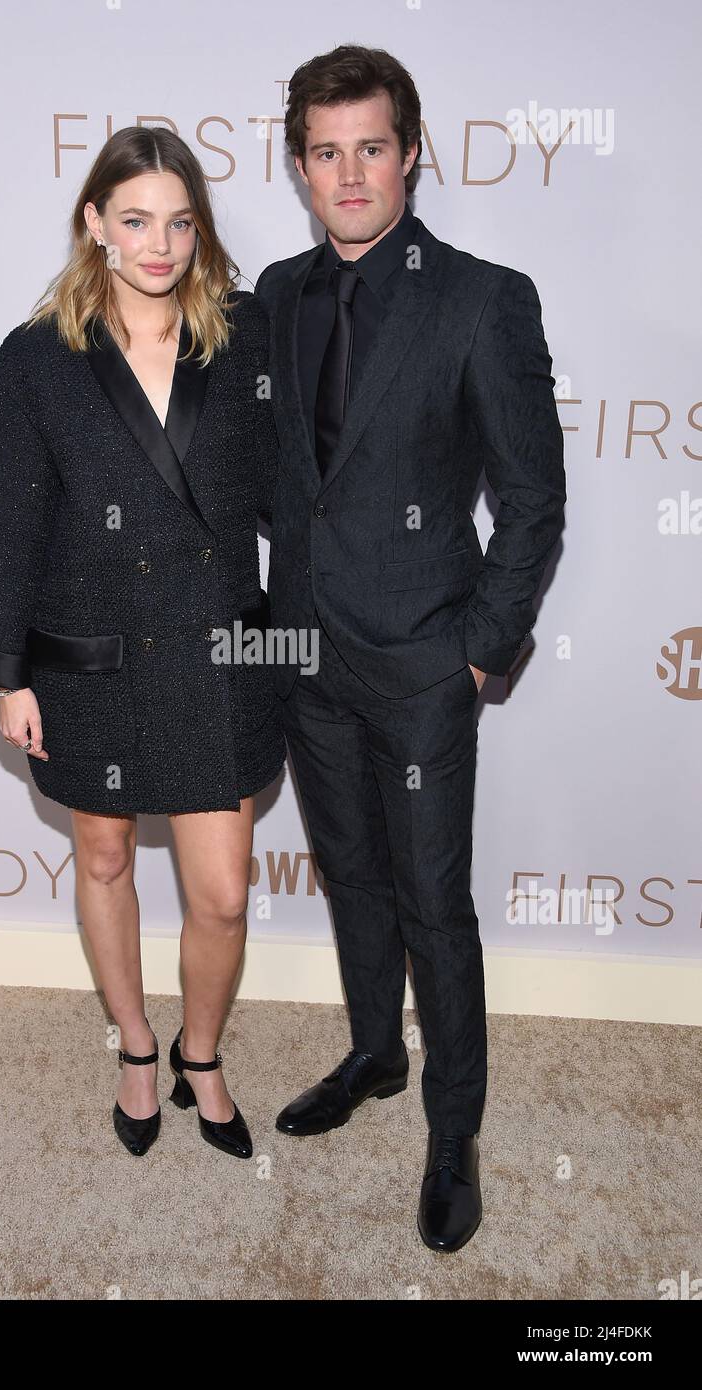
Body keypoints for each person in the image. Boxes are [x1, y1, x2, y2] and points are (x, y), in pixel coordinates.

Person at [256, 45, 566, 1249]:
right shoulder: (271, 297)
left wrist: (480, 652)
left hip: (427, 661)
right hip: (307, 660)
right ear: (298, 166)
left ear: (411, 152)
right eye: (325, 153)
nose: (349, 174)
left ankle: (453, 1132)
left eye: (370, 148)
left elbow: (532, 498)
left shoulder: (483, 298)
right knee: (354, 878)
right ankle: (375, 1055)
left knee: (436, 904)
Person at [0, 126, 285, 1161]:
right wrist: (5, 675)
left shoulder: (244, 339)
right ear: (94, 224)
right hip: (90, 655)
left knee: (220, 889)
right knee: (104, 850)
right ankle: (134, 1044)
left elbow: (296, 485)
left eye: (179, 222)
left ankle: (200, 1050)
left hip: (218, 653)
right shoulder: (39, 356)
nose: (159, 244)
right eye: (135, 220)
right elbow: (1, 518)